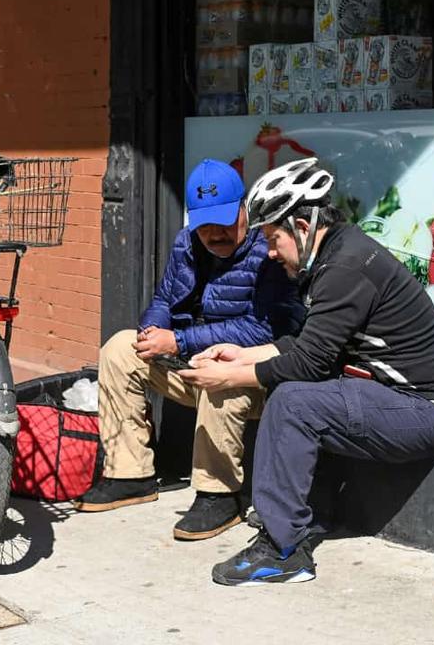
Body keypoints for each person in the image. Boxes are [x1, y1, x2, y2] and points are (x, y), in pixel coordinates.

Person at [179, 158, 434, 585]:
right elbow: (313, 345)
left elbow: (309, 363)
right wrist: (239, 356)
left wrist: (227, 379)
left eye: (274, 238)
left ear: (302, 225)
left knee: (294, 401)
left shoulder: (345, 268)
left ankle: (283, 549)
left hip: (428, 410)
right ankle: (307, 517)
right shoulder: (337, 255)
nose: (271, 252)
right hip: (397, 397)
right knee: (302, 391)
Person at [74, 158, 305, 541]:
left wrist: (180, 340)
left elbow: (262, 329)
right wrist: (153, 328)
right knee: (119, 348)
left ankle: (219, 495)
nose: (215, 233)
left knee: (221, 373)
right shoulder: (186, 242)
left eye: (225, 221)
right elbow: (165, 297)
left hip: (254, 374)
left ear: (244, 208)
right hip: (190, 359)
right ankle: (129, 475)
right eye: (205, 225)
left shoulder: (268, 252)